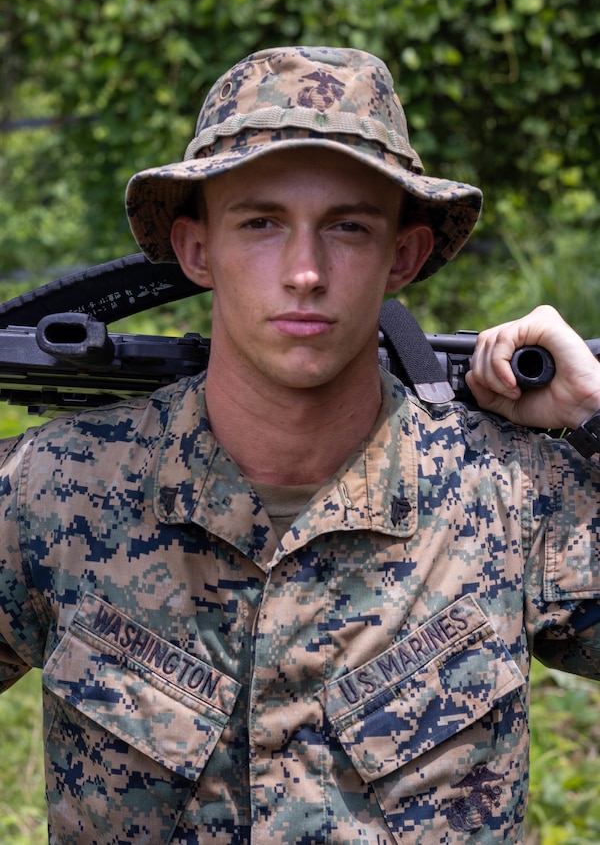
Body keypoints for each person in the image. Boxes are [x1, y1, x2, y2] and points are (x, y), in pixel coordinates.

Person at [1, 46, 600, 845]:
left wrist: (596, 411)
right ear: (197, 251)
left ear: (403, 256)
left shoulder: (510, 495)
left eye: (348, 228)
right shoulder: (57, 489)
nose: (306, 272)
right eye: (261, 223)